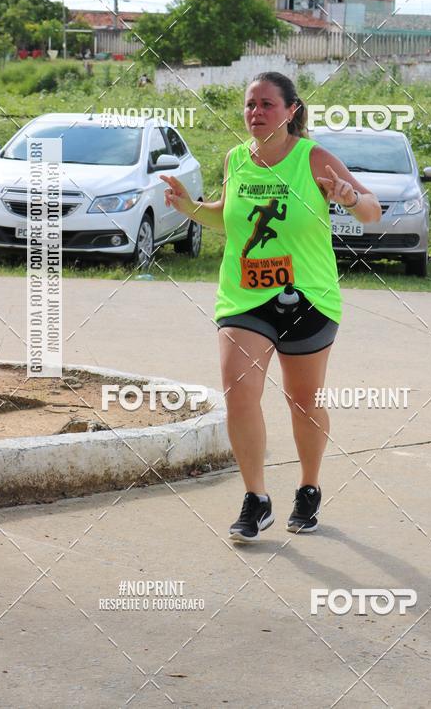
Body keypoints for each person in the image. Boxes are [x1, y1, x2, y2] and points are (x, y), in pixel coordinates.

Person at [160, 71, 381, 543]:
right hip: (244, 297)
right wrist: (189, 208)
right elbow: (228, 217)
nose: (256, 113)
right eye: (250, 104)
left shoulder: (313, 157)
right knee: (239, 393)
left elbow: (372, 210)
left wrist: (350, 197)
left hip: (308, 298)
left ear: (291, 111)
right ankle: (256, 499)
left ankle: (309, 486)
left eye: (267, 104)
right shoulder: (236, 159)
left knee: (303, 403)